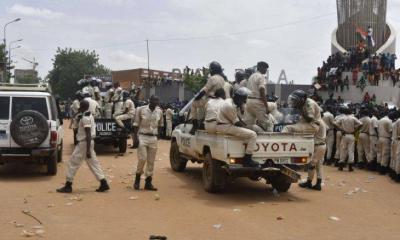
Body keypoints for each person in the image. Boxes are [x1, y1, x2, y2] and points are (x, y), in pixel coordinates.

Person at [57, 100, 109, 193]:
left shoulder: (85, 118)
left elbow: (88, 133)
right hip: (88, 143)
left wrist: (88, 150)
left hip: (85, 143)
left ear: (82, 107)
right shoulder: (89, 115)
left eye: (80, 106)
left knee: (73, 163)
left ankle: (68, 185)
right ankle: (103, 182)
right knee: (93, 163)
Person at [216, 87, 259, 167]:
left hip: (225, 125)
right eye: (244, 99)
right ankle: (247, 160)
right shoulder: (229, 106)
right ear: (239, 98)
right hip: (225, 126)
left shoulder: (230, 102)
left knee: (250, 130)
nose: (244, 101)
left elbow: (239, 119)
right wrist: (249, 129)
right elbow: (237, 123)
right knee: (253, 135)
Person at [133, 95, 163, 191]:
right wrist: (135, 139)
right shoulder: (141, 109)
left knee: (151, 161)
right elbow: (136, 124)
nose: (156, 102)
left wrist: (158, 136)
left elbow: (160, 124)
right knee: (142, 158)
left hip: (153, 138)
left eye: (157, 100)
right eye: (154, 100)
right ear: (150, 100)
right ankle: (137, 179)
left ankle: (148, 182)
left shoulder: (159, 111)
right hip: (142, 136)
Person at [190, 61, 226, 134]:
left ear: (213, 70)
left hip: (210, 99)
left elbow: (205, 90)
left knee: (193, 104)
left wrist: (197, 97)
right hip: (220, 100)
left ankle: (195, 125)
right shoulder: (222, 79)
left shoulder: (212, 78)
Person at [299, 113, 327, 191]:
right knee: (319, 165)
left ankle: (309, 182)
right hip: (322, 145)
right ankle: (318, 183)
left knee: (312, 164)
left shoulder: (317, 123)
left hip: (318, 146)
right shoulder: (322, 122)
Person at [244, 61, 272, 131]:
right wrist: (266, 106)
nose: (266, 70)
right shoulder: (261, 77)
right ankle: (268, 140)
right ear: (260, 67)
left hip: (249, 101)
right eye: (265, 68)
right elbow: (262, 90)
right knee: (268, 124)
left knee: (249, 125)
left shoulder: (251, 76)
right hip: (257, 102)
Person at [334, 106, 362, 171]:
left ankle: (341, 165)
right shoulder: (353, 118)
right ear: (350, 112)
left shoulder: (342, 118)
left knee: (343, 149)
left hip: (344, 135)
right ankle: (350, 166)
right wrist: (355, 131)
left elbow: (334, 124)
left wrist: (340, 130)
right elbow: (361, 124)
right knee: (351, 150)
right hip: (351, 135)